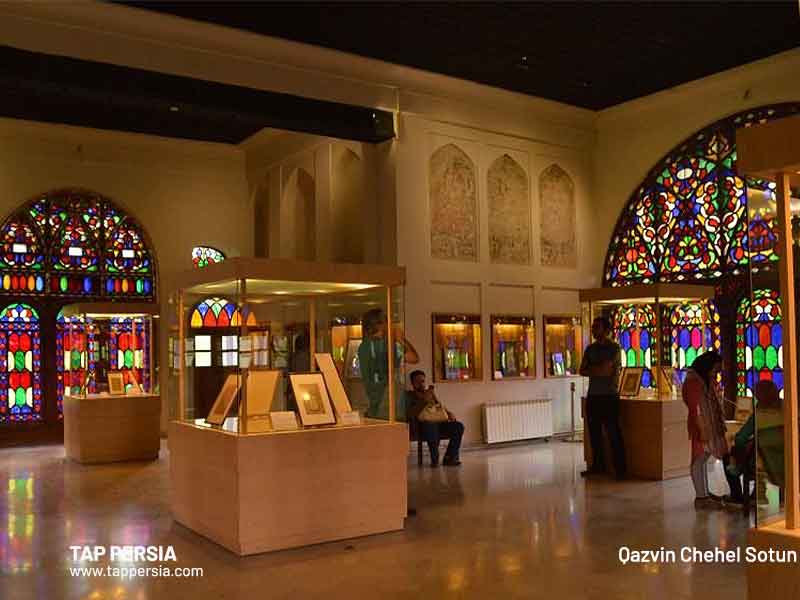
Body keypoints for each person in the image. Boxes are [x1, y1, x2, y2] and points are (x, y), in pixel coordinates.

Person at [580, 316, 626, 479]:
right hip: (593, 396)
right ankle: (597, 465)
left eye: (596, 327)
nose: (593, 329)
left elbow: (606, 370)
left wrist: (595, 368)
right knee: (594, 433)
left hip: (609, 396)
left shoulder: (614, 348)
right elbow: (582, 370)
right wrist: (598, 369)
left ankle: (620, 469)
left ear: (606, 330)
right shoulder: (590, 349)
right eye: (593, 327)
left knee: (613, 433)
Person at [723, 380, 782, 505]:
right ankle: (758, 492)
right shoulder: (787, 408)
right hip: (786, 459)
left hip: (764, 462)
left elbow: (740, 438)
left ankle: (737, 495)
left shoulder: (760, 412)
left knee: (729, 456)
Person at [682, 351, 727, 509]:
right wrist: (702, 428)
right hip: (700, 424)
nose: (717, 372)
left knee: (704, 459)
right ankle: (701, 497)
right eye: (715, 368)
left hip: (709, 424)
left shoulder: (705, 379)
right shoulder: (693, 381)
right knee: (698, 460)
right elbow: (695, 408)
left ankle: (705, 494)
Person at [358, 308, 420, 419]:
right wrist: (400, 338)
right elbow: (414, 358)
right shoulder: (386, 347)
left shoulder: (364, 346)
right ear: (381, 323)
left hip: (374, 404)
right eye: (387, 320)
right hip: (387, 405)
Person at [406, 370, 464, 466]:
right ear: (412, 383)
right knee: (430, 425)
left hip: (438, 423)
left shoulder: (429, 393)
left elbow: (439, 406)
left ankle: (450, 457)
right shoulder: (409, 396)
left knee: (458, 426)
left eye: (423, 381)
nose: (421, 384)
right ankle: (435, 457)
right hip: (421, 426)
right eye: (418, 381)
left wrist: (449, 413)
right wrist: (423, 401)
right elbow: (410, 414)